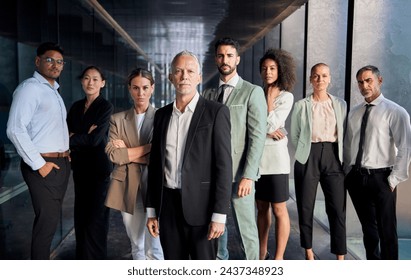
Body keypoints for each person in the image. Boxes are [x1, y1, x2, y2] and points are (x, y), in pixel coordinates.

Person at [146, 50, 232, 260]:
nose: (184, 76)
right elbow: (156, 164)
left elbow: (224, 166)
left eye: (190, 71)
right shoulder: (161, 115)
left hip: (202, 209)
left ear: (199, 77)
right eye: (179, 71)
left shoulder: (216, 112)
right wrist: (151, 210)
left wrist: (220, 215)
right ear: (170, 77)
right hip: (168, 208)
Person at [203, 37, 267, 260]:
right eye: (220, 55)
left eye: (230, 55)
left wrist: (249, 175)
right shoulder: (208, 94)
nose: (225, 60)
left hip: (240, 175)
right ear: (215, 59)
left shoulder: (252, 92)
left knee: (245, 229)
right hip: (214, 174)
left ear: (237, 59)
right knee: (217, 227)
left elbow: (258, 137)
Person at [6, 42, 70, 259]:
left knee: (48, 224)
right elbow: (15, 129)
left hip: (59, 165)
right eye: (50, 60)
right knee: (46, 226)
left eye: (59, 62)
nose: (55, 65)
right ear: (38, 61)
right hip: (43, 164)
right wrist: (40, 165)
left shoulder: (53, 92)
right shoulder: (30, 88)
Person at [344, 65, 411, 260]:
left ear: (379, 81)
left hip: (382, 179)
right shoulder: (354, 113)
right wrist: (348, 173)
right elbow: (349, 145)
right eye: (360, 82)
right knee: (369, 231)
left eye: (368, 80)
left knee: (387, 231)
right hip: (357, 178)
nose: (364, 85)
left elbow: (405, 146)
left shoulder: (395, 111)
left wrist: (393, 180)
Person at [105, 68, 164, 260]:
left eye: (145, 88)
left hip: (156, 188)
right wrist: (150, 147)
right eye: (136, 88)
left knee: (156, 247)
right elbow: (115, 156)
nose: (141, 93)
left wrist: (128, 153)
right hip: (128, 187)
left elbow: (164, 156)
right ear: (129, 89)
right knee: (137, 245)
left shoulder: (162, 117)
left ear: (152, 88)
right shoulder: (117, 119)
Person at [290, 63, 347, 260]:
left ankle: (340, 255)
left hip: (333, 156)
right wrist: (304, 152)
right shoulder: (301, 105)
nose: (320, 80)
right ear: (311, 79)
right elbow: (295, 135)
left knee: (337, 208)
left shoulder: (341, 104)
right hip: (308, 156)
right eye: (316, 76)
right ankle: (308, 251)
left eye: (324, 76)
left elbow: (344, 132)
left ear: (329, 78)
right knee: (305, 206)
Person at [66, 66, 113, 259]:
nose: (90, 82)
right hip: (79, 169)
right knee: (81, 218)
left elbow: (94, 141)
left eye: (95, 79)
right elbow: (64, 136)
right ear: (81, 81)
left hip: (98, 171)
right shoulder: (76, 106)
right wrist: (85, 133)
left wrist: (76, 136)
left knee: (96, 220)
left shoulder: (105, 107)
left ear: (102, 83)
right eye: (86, 78)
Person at [255, 49, 296, 260]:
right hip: (258, 160)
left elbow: (270, 123)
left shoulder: (286, 97)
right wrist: (266, 129)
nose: (268, 72)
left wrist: (269, 102)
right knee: (261, 207)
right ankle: (262, 252)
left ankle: (278, 258)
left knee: (279, 208)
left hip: (277, 162)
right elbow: (250, 126)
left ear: (280, 70)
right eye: (264, 69)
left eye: (272, 68)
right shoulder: (255, 93)